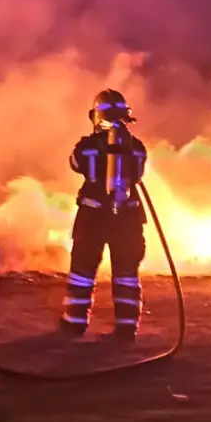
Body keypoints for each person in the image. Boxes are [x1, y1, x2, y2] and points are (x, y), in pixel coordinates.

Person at [60, 89, 152, 341]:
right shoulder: (136, 147)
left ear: (96, 116)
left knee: (82, 270)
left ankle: (74, 323)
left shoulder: (87, 146)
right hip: (128, 218)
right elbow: (139, 174)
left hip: (93, 216)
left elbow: (76, 163)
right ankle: (126, 328)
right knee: (126, 273)